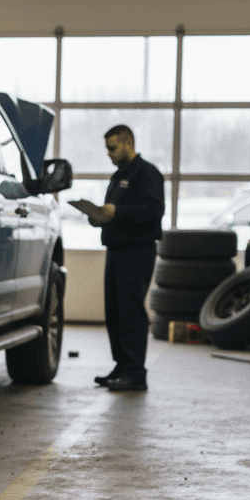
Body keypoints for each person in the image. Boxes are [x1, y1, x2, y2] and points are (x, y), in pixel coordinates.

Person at [89, 124, 165, 392]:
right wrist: (99, 216)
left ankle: (135, 373)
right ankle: (122, 366)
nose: (108, 153)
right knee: (115, 312)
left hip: (137, 251)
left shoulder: (147, 174)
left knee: (131, 311)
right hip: (116, 250)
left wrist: (117, 213)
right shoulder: (117, 176)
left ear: (128, 144)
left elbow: (154, 211)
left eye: (112, 148)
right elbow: (114, 212)